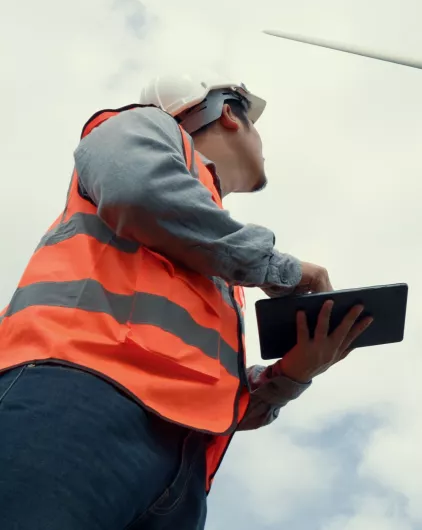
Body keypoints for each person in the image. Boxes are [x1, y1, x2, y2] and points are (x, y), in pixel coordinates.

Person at [0, 74, 371, 529]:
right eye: (256, 124)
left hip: (182, 467)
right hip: (78, 399)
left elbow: (212, 397)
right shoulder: (142, 126)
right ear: (230, 114)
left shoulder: (217, 256)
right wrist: (277, 267)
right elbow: (135, 189)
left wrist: (292, 374)